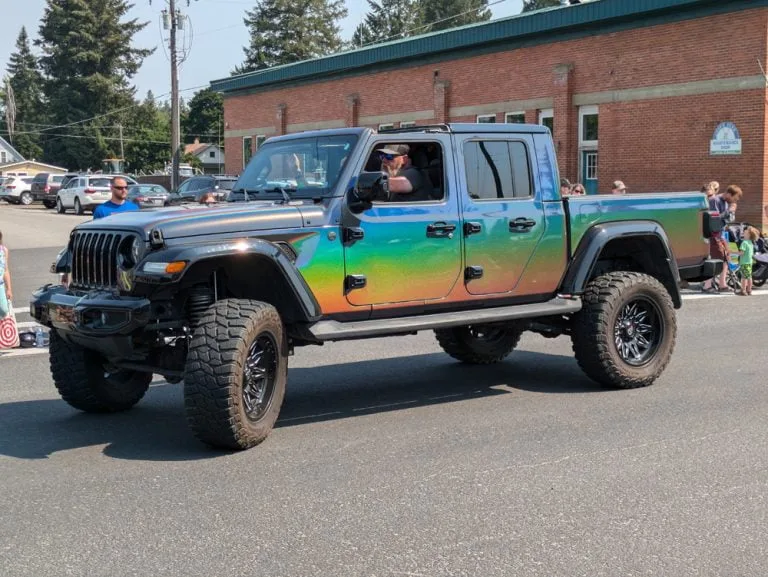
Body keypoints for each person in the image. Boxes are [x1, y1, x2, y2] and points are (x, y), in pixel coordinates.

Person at [702, 184, 743, 292]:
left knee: (726, 256)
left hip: (720, 233)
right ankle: (707, 285)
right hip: (713, 234)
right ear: (729, 194)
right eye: (735, 198)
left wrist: (732, 212)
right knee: (717, 258)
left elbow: (728, 220)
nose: (735, 201)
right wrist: (729, 210)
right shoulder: (714, 200)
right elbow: (715, 219)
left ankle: (722, 284)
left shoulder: (726, 202)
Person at [737, 226, 760, 296]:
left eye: (745, 233)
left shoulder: (744, 243)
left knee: (744, 277)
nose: (743, 233)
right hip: (749, 262)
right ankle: (749, 290)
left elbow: (741, 253)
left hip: (744, 262)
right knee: (749, 277)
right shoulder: (750, 243)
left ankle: (743, 290)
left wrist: (732, 252)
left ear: (749, 235)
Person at [0, 230, 12, 319]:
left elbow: (6, 270)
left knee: (4, 311)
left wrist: (9, 289)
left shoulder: (3, 250)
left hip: (0, 286)